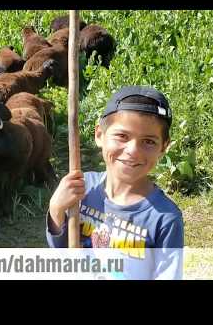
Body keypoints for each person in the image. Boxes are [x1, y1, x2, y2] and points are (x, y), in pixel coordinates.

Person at [46, 86, 184, 279]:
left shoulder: (165, 218)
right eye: (122, 136)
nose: (133, 150)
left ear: (164, 147)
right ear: (99, 135)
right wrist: (56, 209)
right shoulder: (82, 187)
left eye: (149, 141)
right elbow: (61, 254)